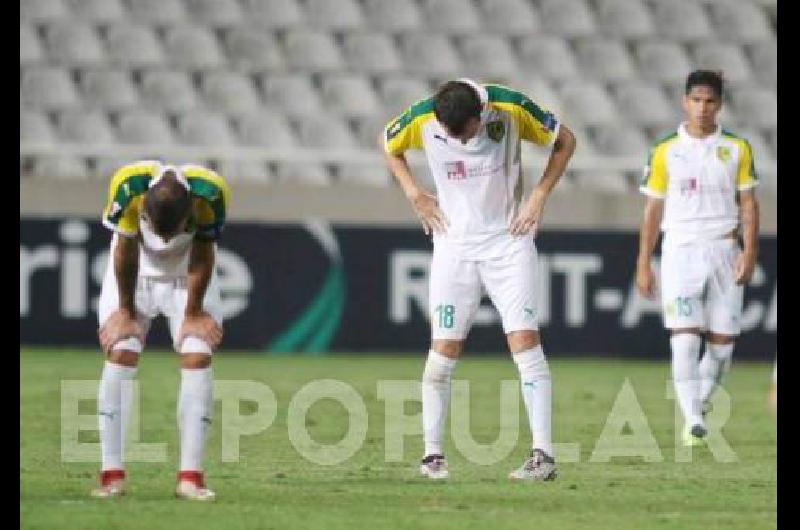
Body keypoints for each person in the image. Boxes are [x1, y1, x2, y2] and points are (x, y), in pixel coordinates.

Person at [380, 79, 576, 480]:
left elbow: (566, 141)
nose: (460, 142)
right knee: (442, 351)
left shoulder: (511, 106)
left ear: (480, 116)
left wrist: (538, 196)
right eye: (449, 134)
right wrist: (414, 192)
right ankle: (432, 456)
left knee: (524, 341)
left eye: (465, 133)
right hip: (453, 245)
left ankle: (544, 457)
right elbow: (388, 142)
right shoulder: (421, 117)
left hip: (509, 240)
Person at [91, 160, 230, 500]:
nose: (165, 238)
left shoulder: (211, 192)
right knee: (121, 350)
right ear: (145, 213)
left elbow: (203, 251)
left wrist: (194, 312)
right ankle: (112, 475)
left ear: (189, 215)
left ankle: (190, 478)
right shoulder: (127, 186)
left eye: (175, 230)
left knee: (198, 356)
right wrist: (125, 311)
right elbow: (124, 249)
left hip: (188, 274)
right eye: (158, 229)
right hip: (134, 273)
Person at [636, 70, 760, 446]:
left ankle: (699, 405)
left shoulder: (737, 148)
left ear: (719, 105)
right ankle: (692, 421)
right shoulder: (665, 149)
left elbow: (750, 204)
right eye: (695, 100)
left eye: (709, 101)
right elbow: (652, 210)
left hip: (725, 247)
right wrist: (644, 260)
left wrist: (750, 251)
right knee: (685, 340)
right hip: (681, 251)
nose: (702, 108)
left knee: (722, 348)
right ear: (684, 101)